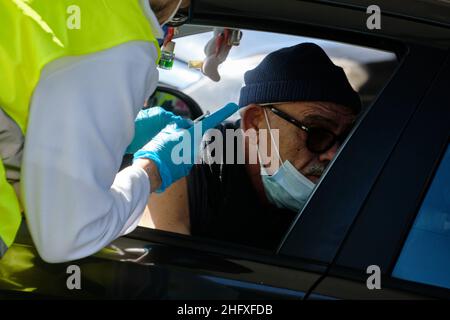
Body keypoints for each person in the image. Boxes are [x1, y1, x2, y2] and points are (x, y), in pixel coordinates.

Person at [0, 0, 227, 263]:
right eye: (182, 15)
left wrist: (119, 132)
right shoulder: (122, 39)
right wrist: (152, 170)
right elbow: (69, 238)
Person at [143, 43, 361, 250]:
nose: (332, 154)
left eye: (345, 138)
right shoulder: (186, 167)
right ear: (254, 123)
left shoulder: (344, 194)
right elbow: (162, 274)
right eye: (317, 132)